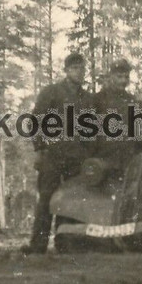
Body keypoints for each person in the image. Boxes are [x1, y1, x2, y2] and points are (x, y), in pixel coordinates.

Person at [23, 52, 90, 254]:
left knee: (70, 200)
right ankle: (38, 244)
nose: (80, 72)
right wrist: (39, 149)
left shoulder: (86, 98)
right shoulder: (51, 93)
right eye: (75, 68)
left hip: (76, 156)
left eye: (82, 68)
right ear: (66, 70)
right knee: (46, 198)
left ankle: (65, 243)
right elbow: (35, 121)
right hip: (53, 153)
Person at [92, 58, 137, 171]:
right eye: (119, 77)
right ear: (111, 77)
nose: (123, 81)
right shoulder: (98, 99)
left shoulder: (132, 101)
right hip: (104, 158)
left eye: (126, 77)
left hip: (127, 159)